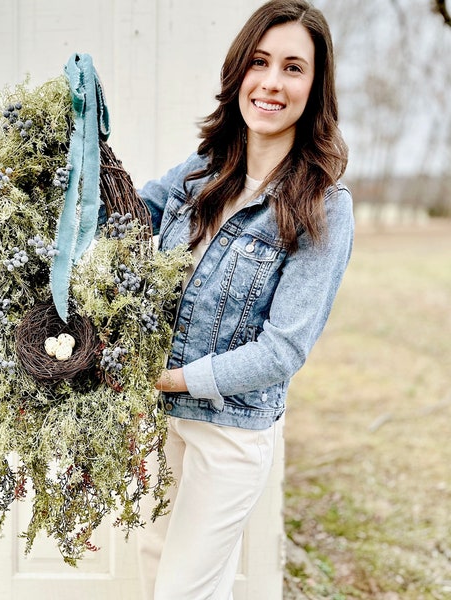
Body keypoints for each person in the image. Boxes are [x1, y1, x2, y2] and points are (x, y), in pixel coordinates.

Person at [135, 1, 354, 598]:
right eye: (260, 62)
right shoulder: (205, 168)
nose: (272, 83)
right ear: (239, 71)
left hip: (229, 435)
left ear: (315, 85)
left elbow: (282, 350)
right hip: (157, 422)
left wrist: (171, 379)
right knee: (159, 570)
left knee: (182, 592)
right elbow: (129, 215)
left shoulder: (324, 205)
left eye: (293, 67)